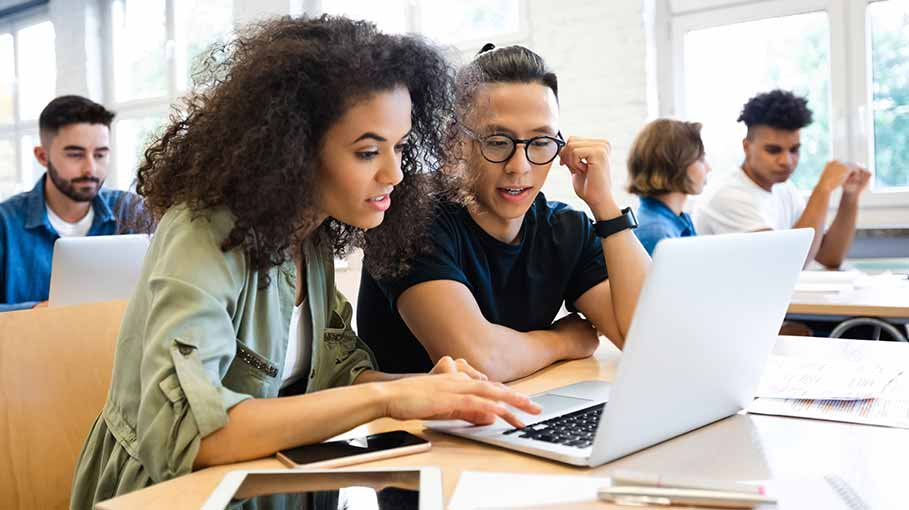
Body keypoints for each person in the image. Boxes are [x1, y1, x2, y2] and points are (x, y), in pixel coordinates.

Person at [70, 17, 539, 509]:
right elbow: (190, 434)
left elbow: (338, 373)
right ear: (292, 149)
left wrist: (429, 389)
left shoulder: (310, 232)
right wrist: (386, 399)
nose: (395, 173)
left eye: (400, 147)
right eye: (366, 152)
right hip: (173, 496)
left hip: (273, 486)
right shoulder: (202, 234)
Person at [357, 44, 651, 382]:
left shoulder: (566, 229)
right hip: (414, 431)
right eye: (497, 142)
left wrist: (604, 207)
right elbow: (480, 361)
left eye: (540, 142)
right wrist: (563, 340)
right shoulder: (409, 218)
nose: (519, 167)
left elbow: (645, 338)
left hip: (520, 415)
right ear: (455, 141)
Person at [693, 89, 871, 268]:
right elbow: (787, 264)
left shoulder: (784, 188)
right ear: (747, 147)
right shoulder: (729, 196)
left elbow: (829, 256)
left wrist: (850, 197)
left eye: (794, 150)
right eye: (773, 150)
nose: (786, 161)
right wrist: (823, 188)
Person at [0, 95, 141, 312]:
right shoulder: (5, 223)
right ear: (42, 156)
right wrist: (37, 311)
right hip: (31, 345)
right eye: (75, 155)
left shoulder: (131, 211)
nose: (91, 168)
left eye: (100, 154)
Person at [626, 119, 710, 255]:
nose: (708, 168)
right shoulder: (655, 233)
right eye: (700, 159)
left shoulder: (675, 221)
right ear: (677, 164)